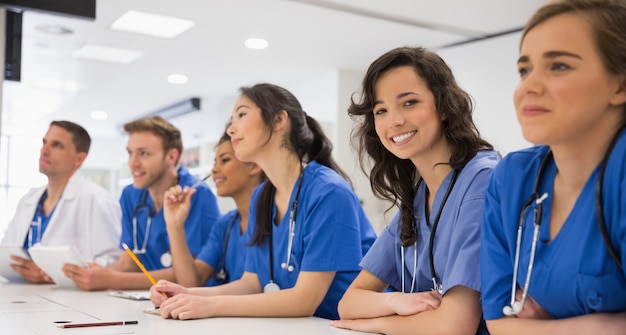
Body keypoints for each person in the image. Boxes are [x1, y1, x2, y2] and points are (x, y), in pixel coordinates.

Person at [480, 0, 626, 335]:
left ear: (620, 84)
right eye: (524, 69)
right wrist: (604, 331)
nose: (529, 85)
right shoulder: (512, 177)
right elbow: (503, 333)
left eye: (558, 66)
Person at [149, 83, 376, 320]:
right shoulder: (262, 197)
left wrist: (211, 306)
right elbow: (251, 283)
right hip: (300, 333)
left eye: (242, 114)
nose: (231, 130)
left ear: (279, 120)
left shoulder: (328, 192)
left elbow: (304, 301)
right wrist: (190, 294)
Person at [332, 46, 499, 335]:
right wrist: (398, 300)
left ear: (444, 106)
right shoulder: (419, 195)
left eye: (409, 102)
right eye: (381, 110)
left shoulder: (482, 180)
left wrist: (379, 323)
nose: (394, 120)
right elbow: (349, 303)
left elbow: (452, 332)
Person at [63, 116, 220, 290]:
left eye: (144, 153)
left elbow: (189, 275)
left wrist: (112, 280)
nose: (133, 163)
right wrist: (91, 274)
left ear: (171, 157)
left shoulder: (196, 195)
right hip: (147, 296)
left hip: (191, 303)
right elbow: (127, 263)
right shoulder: (130, 195)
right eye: (130, 153)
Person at [1, 120, 121, 284]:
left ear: (79, 158)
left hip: (71, 302)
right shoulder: (28, 200)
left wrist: (51, 274)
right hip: (20, 294)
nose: (44, 151)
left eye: (57, 145)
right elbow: (7, 249)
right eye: (44, 142)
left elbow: (111, 262)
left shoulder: (97, 199)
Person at [164, 131, 264, 287]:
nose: (214, 170)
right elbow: (191, 281)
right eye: (214, 162)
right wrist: (175, 225)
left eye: (224, 160)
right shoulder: (225, 225)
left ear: (254, 165)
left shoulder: (275, 220)